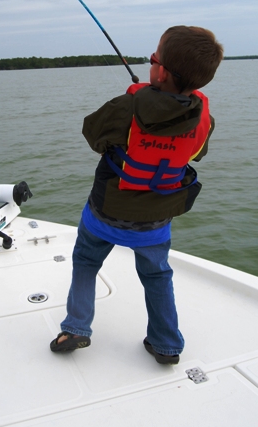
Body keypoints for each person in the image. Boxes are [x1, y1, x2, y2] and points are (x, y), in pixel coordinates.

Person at [50, 26, 224, 364]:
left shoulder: (126, 106)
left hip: (105, 212)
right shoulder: (205, 118)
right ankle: (165, 344)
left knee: (86, 262)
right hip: (156, 220)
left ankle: (76, 329)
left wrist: (136, 101)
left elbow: (93, 135)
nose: (151, 63)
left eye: (153, 59)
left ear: (161, 72)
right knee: (157, 275)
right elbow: (196, 154)